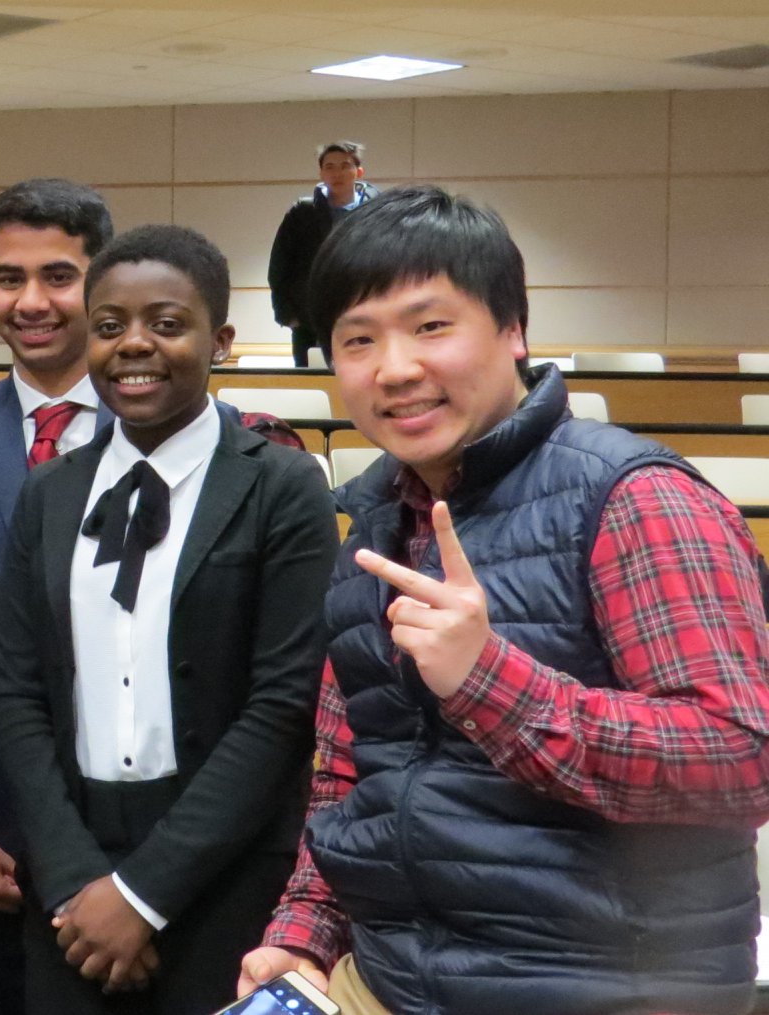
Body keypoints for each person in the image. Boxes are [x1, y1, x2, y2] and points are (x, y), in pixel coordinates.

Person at [239, 185, 769, 1015]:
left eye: (430, 326)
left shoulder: (636, 501)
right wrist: (302, 929)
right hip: (391, 978)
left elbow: (739, 760)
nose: (396, 368)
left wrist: (488, 679)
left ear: (513, 328)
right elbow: (350, 774)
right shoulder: (374, 523)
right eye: (358, 339)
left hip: (608, 986)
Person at [0, 224, 338, 1014]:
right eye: (109, 326)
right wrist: (79, 881)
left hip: (226, 871)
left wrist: (143, 895)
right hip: (72, 875)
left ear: (220, 341)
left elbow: (282, 705)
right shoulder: (50, 493)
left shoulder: (282, 486)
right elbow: (12, 692)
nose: (133, 345)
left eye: (167, 324)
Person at [0, 177, 117, 1015]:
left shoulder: (163, 431)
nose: (30, 301)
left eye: (58, 275)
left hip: (139, 844)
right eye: (9, 278)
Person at [266, 141, 376, 367]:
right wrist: (287, 315)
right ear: (321, 173)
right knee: (312, 385)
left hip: (365, 315)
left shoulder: (376, 211)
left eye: (345, 165)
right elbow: (279, 266)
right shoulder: (303, 212)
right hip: (309, 320)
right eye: (330, 166)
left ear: (359, 172)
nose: (337, 173)